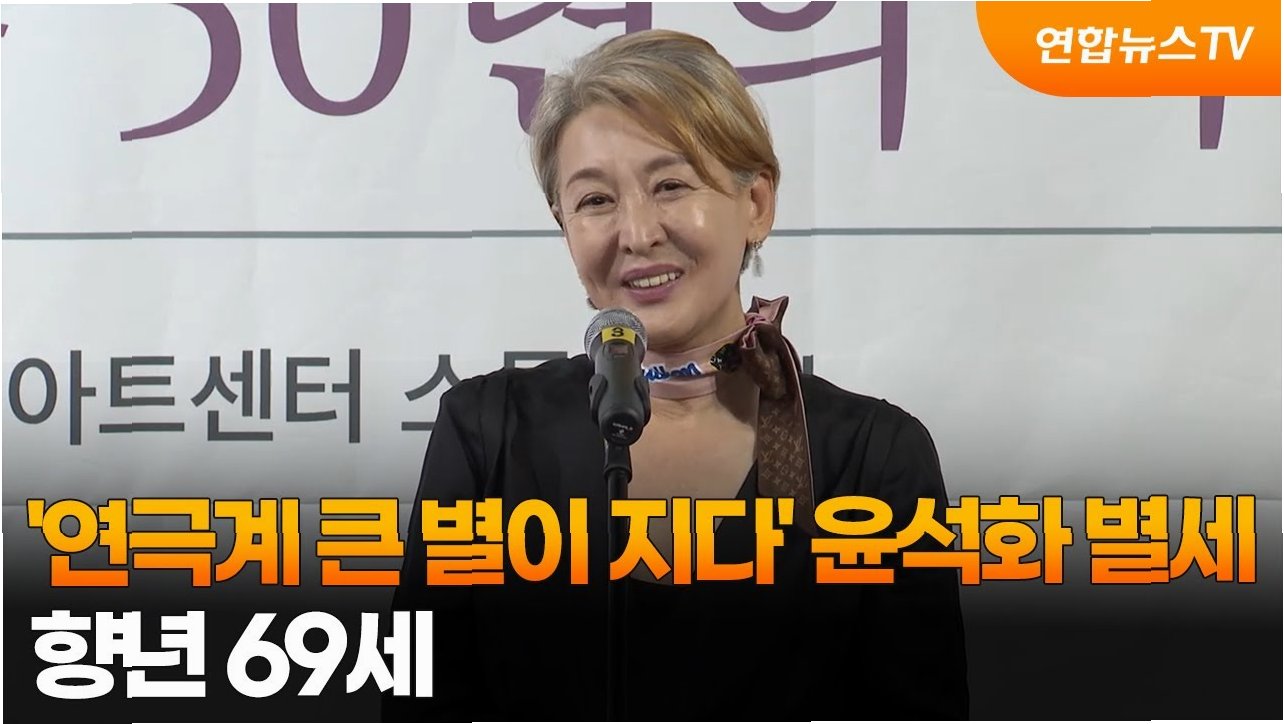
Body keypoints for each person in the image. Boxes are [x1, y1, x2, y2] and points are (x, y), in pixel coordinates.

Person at [384, 29, 968, 722]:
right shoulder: (487, 433)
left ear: (756, 204)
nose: (637, 233)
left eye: (670, 185)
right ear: (564, 226)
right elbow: (419, 702)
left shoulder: (871, 455)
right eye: (595, 201)